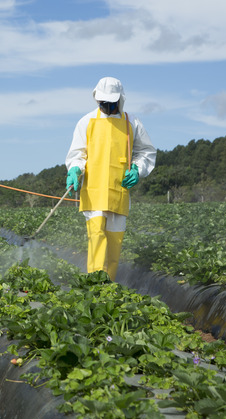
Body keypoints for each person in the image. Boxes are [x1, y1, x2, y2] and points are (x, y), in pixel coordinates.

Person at [65, 77, 155, 281]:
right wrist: (75, 170)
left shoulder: (132, 123)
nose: (106, 106)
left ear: (120, 100)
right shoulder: (86, 122)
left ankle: (108, 288)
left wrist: (137, 170)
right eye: (103, 103)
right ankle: (95, 287)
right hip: (94, 191)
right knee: (96, 239)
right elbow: (77, 154)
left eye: (110, 103)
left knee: (114, 245)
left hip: (119, 191)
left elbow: (146, 152)